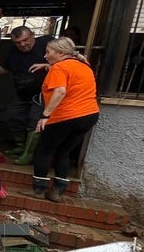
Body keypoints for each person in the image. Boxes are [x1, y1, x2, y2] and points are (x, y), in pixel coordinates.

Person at [29, 37, 99, 202]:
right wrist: (46, 66)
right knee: (64, 151)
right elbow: (70, 72)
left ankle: (39, 190)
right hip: (89, 115)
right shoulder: (84, 64)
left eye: (48, 52)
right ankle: (57, 192)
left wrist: (45, 115)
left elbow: (60, 91)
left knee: (44, 150)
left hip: (65, 116)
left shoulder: (59, 68)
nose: (45, 56)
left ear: (60, 53)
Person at [0, 26, 54, 164]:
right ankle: (21, 146)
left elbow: (65, 62)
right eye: (18, 42)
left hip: (42, 93)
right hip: (22, 93)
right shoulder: (13, 52)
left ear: (33, 35)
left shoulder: (46, 44)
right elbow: (3, 72)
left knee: (34, 122)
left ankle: (28, 154)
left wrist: (46, 65)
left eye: (25, 40)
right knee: (12, 116)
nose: (22, 44)